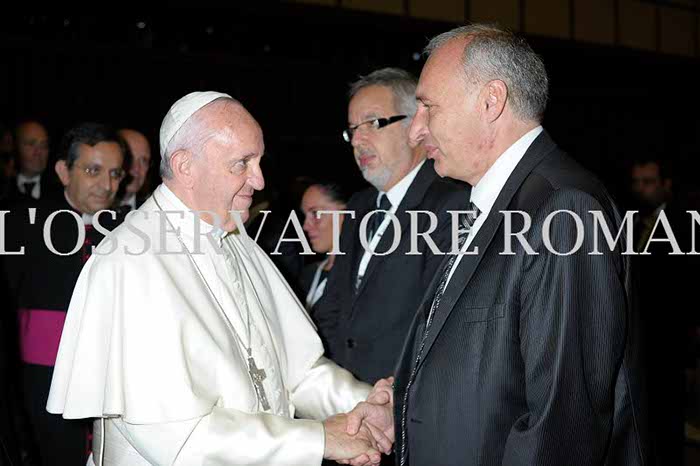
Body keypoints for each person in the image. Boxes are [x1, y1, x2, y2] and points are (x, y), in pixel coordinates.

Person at [46, 91, 394, 466]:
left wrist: (365, 406)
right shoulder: (129, 264)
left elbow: (299, 371)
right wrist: (319, 439)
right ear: (185, 166)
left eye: (259, 161)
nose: (259, 180)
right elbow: (178, 439)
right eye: (241, 163)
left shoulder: (235, 240)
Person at [378, 25, 649, 465]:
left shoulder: (564, 209)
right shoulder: (492, 204)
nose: (415, 131)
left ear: (491, 101)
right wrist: (401, 404)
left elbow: (562, 428)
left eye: (427, 107)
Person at [315, 68, 466, 386]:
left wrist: (390, 400)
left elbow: (440, 327)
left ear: (415, 127)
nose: (357, 140)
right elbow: (333, 305)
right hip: (347, 403)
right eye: (353, 129)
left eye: (373, 123)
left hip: (404, 407)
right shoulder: (359, 205)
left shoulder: (453, 204)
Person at [1, 122, 129, 465]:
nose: (107, 185)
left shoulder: (131, 230)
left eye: (115, 173)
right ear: (63, 171)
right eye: (93, 170)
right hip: (44, 379)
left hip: (112, 378)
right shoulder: (21, 225)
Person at [630, 156, 691, 465]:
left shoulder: (682, 224)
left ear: (666, 185)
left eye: (649, 182)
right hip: (639, 336)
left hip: (669, 334)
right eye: (638, 182)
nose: (642, 190)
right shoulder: (635, 222)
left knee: (668, 413)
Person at [300, 180, 350, 314]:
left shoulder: (358, 276)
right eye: (305, 216)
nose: (305, 226)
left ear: (345, 213)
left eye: (315, 213)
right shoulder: (308, 275)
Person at [4, 120, 59, 202]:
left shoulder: (60, 191)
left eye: (43, 145)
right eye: (30, 144)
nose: (38, 152)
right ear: (15, 147)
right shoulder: (4, 188)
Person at [117, 128, 152, 210]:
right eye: (129, 158)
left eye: (143, 161)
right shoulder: (86, 215)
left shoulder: (156, 212)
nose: (136, 169)